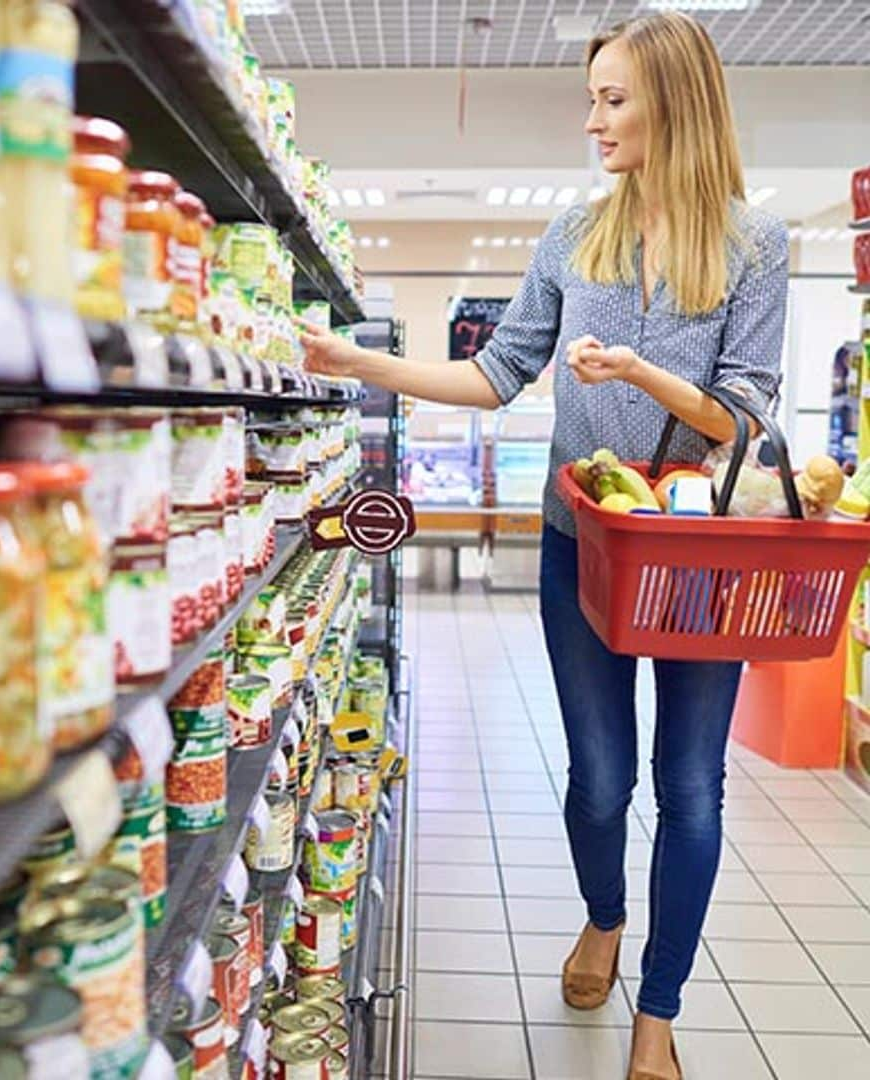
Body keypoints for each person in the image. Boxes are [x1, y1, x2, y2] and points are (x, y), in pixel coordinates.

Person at [299, 12, 787, 1080]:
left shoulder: (757, 244)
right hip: (585, 545)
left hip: (702, 564)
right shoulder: (576, 235)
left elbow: (745, 417)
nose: (594, 118)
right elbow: (498, 374)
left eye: (615, 98)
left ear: (676, 105)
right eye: (594, 97)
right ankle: (603, 916)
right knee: (601, 780)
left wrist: (644, 377)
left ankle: (657, 1015)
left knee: (691, 785)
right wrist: (360, 361)